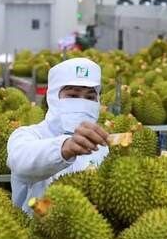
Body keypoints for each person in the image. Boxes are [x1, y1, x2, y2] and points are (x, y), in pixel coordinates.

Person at [7, 57, 110, 213]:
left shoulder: (103, 146)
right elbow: (20, 160)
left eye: (90, 97)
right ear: (53, 97)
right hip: (34, 233)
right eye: (73, 96)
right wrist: (64, 147)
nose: (82, 103)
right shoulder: (27, 135)